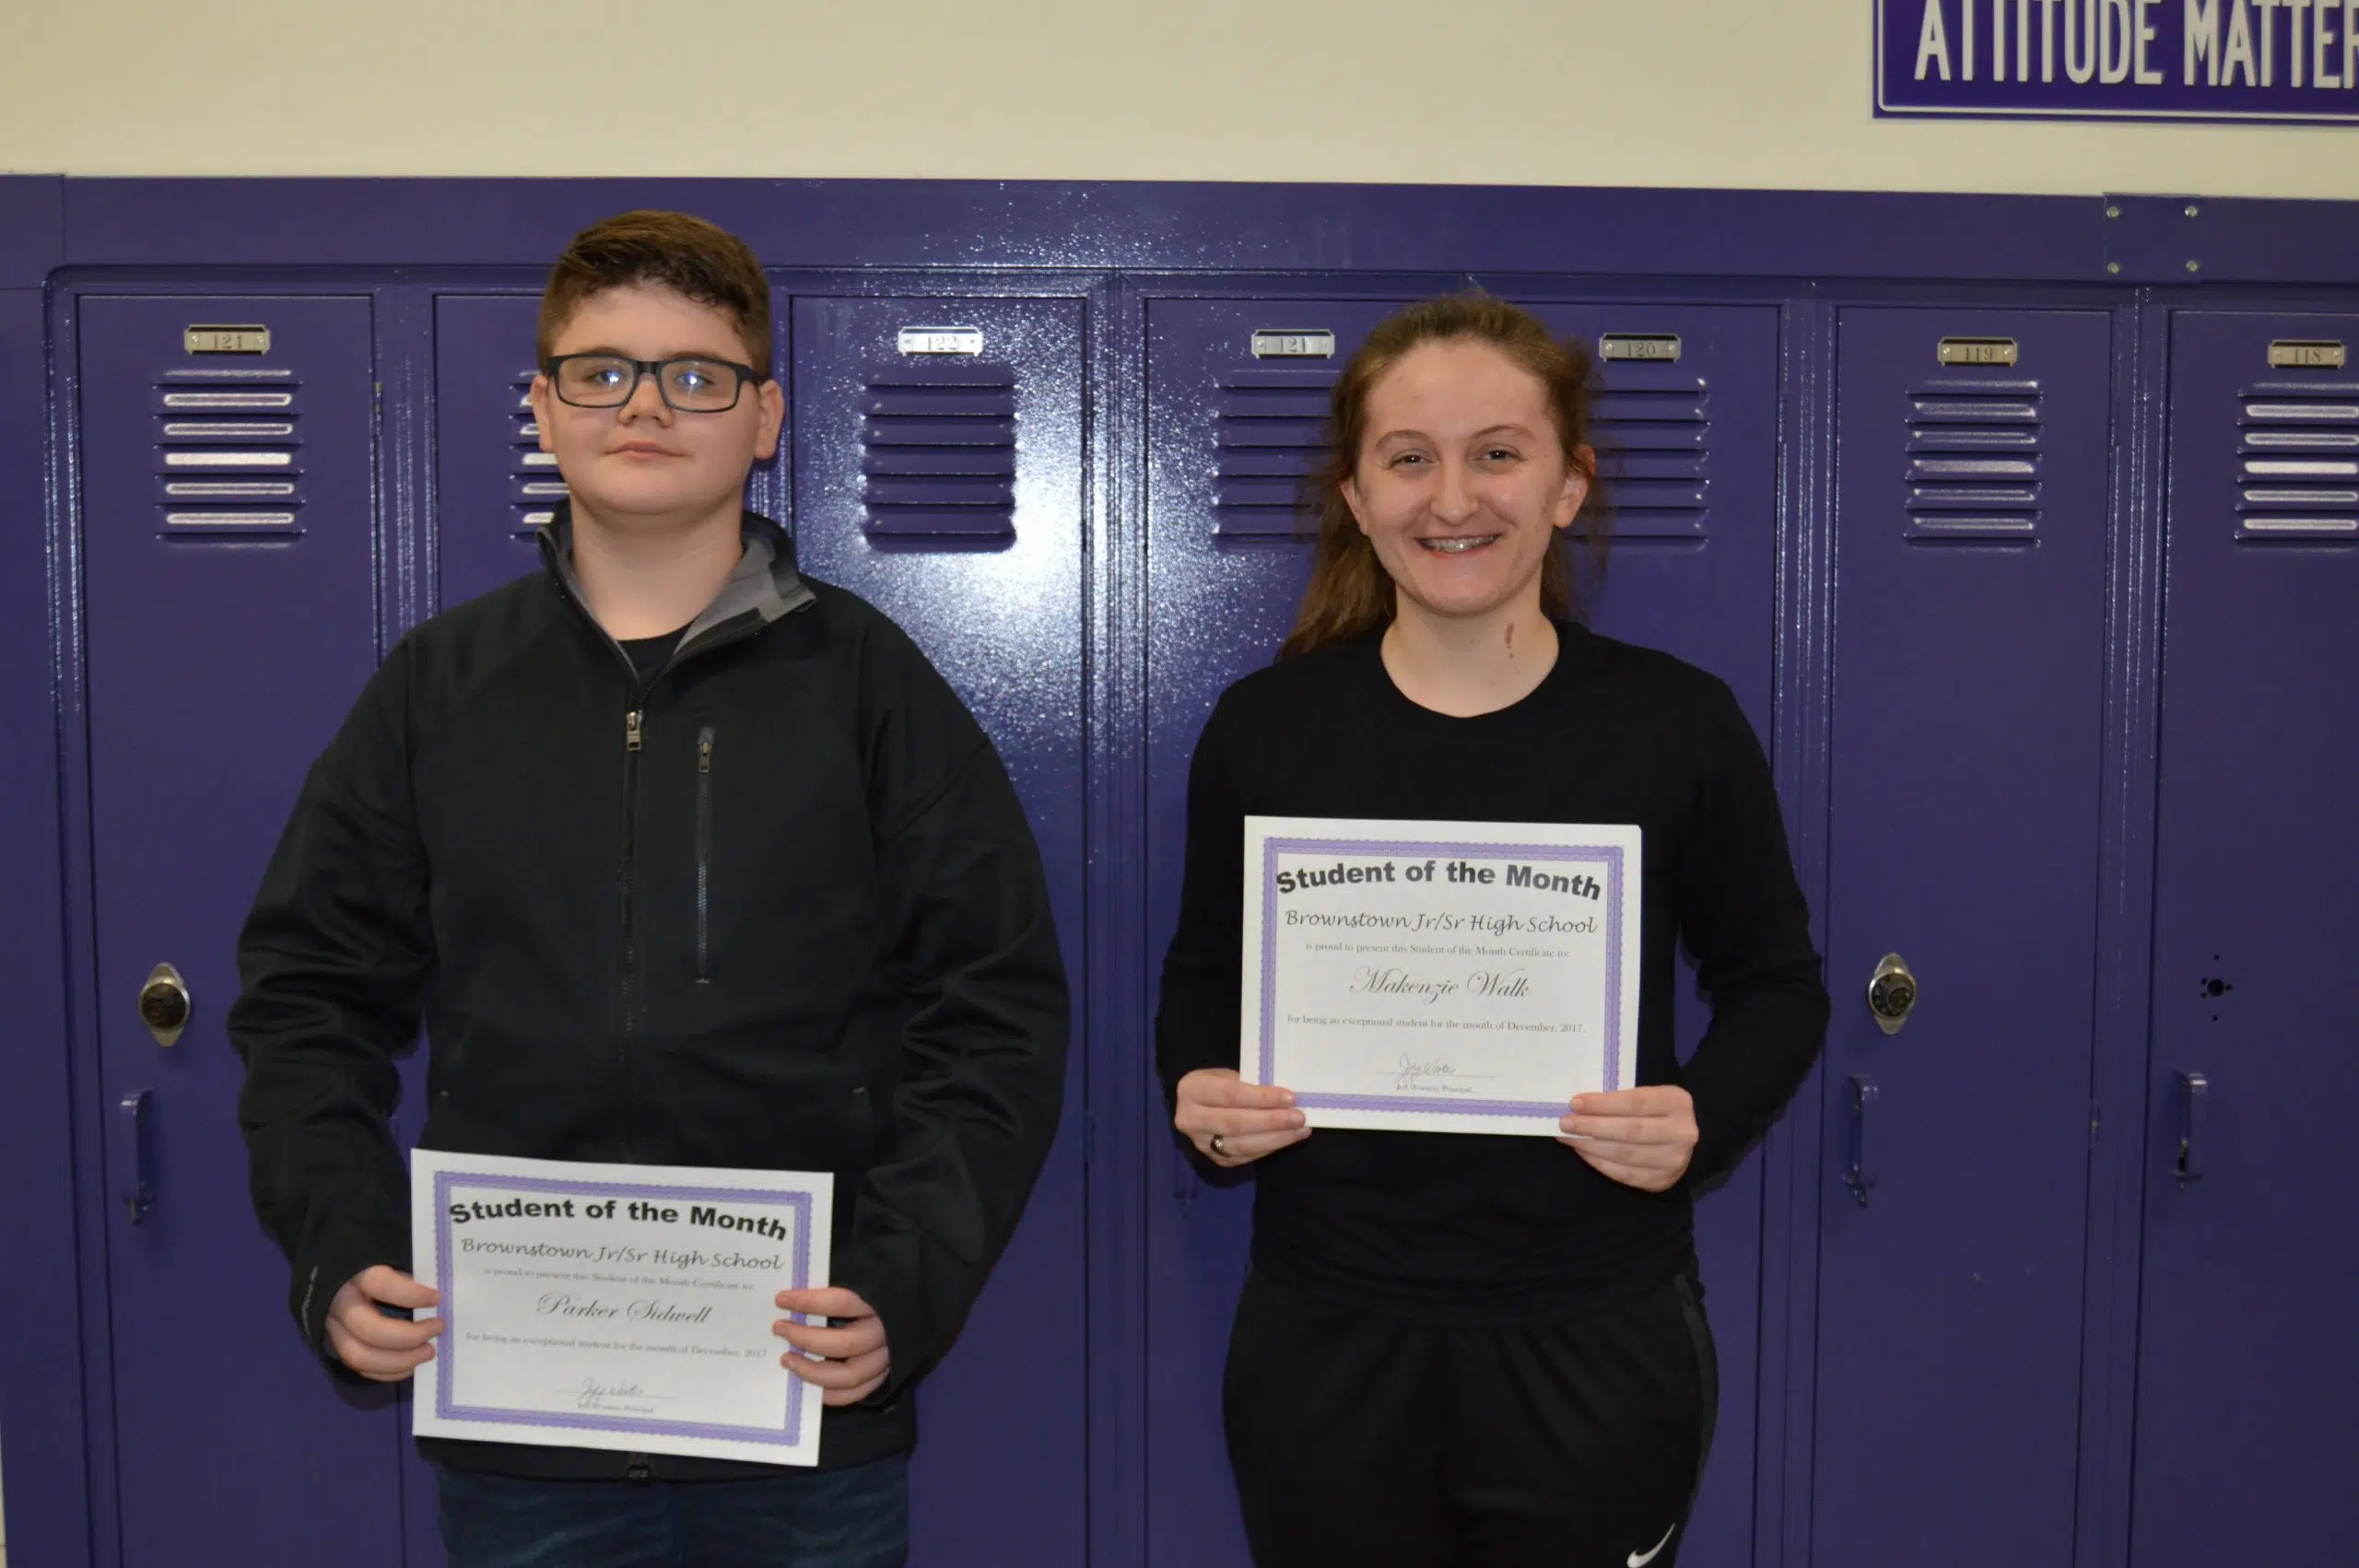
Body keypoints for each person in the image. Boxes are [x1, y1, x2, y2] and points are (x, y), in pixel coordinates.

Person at [230, 210, 1069, 1568]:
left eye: (696, 374)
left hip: (799, 1404)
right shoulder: (440, 689)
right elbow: (305, 997)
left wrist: (904, 1282)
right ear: (544, 406)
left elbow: (998, 1012)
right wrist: (341, 1242)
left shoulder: (870, 687)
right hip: (522, 1418)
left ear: (765, 416)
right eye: (603, 371)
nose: (645, 406)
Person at [1156, 294, 1829, 1568]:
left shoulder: (1675, 726)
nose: (1453, 497)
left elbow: (1778, 984)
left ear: (1568, 486)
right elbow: (1202, 974)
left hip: (1593, 1336)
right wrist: (1199, 1087)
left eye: (1499, 453)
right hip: (1328, 1337)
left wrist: (1700, 1114)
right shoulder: (1269, 731)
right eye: (1409, 457)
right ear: (1357, 497)